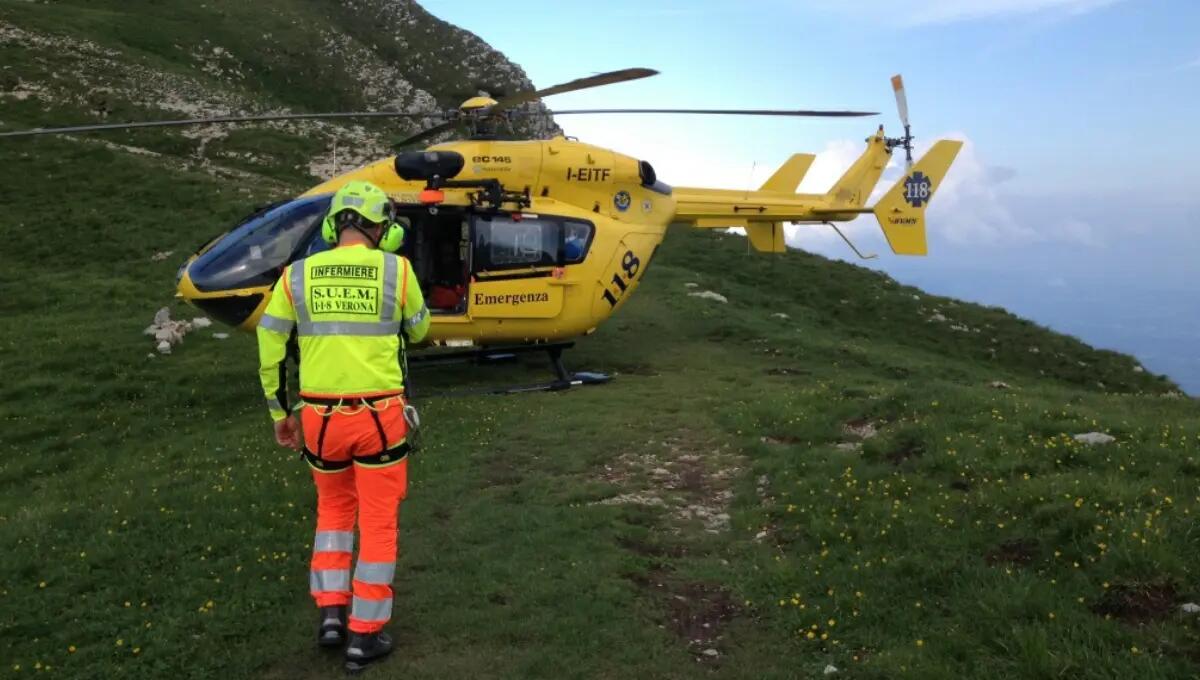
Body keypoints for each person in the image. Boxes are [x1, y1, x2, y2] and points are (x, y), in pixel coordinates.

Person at [255, 180, 430, 671]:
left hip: (319, 420)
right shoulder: (398, 270)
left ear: (334, 224)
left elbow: (270, 347)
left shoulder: (296, 275)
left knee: (332, 514)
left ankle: (331, 616)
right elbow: (419, 329)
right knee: (377, 521)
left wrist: (278, 413)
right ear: (383, 229)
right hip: (378, 418)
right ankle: (364, 633)